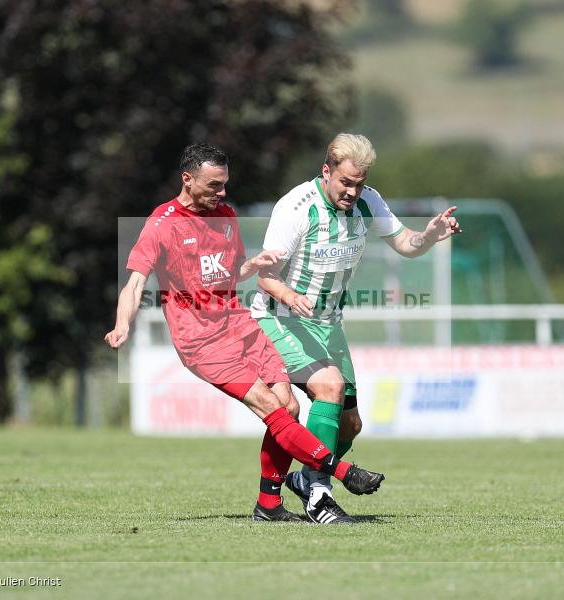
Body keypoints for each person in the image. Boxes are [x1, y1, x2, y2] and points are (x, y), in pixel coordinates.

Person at [105, 142, 385, 522]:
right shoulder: (161, 224)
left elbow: (228, 275)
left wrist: (253, 264)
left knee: (290, 405)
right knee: (273, 410)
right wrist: (123, 324)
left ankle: (268, 505)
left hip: (241, 326)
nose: (222, 193)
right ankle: (338, 473)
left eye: (224, 185)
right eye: (214, 185)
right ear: (187, 180)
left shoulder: (225, 215)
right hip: (201, 342)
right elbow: (135, 283)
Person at [251, 133, 461, 524]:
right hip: (281, 318)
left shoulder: (369, 201)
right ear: (326, 171)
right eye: (345, 182)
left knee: (351, 424)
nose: (351, 191)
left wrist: (430, 236)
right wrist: (293, 297)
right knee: (327, 388)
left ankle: (303, 481)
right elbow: (265, 277)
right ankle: (318, 496)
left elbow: (406, 244)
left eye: (358, 184)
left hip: (328, 324)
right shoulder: (296, 208)